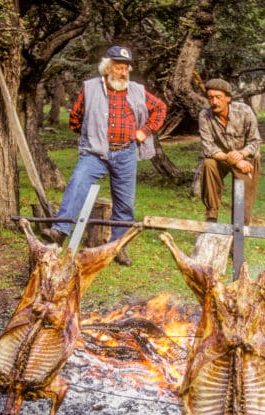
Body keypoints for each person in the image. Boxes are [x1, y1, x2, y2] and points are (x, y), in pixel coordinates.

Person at [42, 46, 166, 266]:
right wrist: (93, 134)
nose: (124, 72)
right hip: (96, 152)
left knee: (125, 204)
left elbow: (160, 108)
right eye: (119, 68)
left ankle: (119, 247)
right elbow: (75, 119)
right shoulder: (90, 88)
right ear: (107, 68)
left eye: (126, 68)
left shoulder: (136, 90)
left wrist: (143, 131)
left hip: (126, 152)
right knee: (78, 181)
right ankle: (60, 231)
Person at [199, 78, 261, 225]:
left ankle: (237, 237)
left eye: (218, 97)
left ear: (228, 98)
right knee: (209, 164)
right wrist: (232, 159)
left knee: (243, 201)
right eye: (210, 98)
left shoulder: (244, 111)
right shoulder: (204, 115)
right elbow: (208, 148)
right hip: (222, 157)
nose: (214, 102)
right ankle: (211, 219)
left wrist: (241, 156)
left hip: (247, 158)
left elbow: (255, 141)